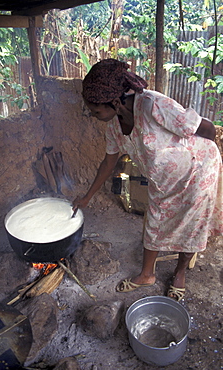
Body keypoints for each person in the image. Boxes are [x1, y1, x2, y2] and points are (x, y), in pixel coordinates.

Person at [73, 58, 223, 301]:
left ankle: (179, 274)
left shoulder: (153, 105)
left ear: (113, 101)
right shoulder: (114, 126)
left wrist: (205, 162)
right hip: (163, 180)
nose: (94, 115)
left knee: (192, 224)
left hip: (198, 171)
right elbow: (108, 163)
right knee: (155, 221)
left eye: (96, 111)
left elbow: (206, 128)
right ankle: (147, 275)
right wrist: (87, 197)